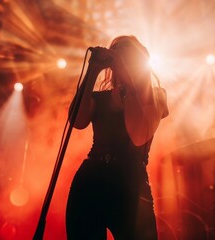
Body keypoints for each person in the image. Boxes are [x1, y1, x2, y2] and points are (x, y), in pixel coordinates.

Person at [66, 35, 169, 240]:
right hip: (90, 180)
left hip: (130, 185)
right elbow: (77, 121)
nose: (120, 58)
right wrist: (92, 71)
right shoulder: (99, 97)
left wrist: (128, 81)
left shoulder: (155, 95)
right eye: (117, 52)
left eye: (127, 53)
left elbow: (138, 135)